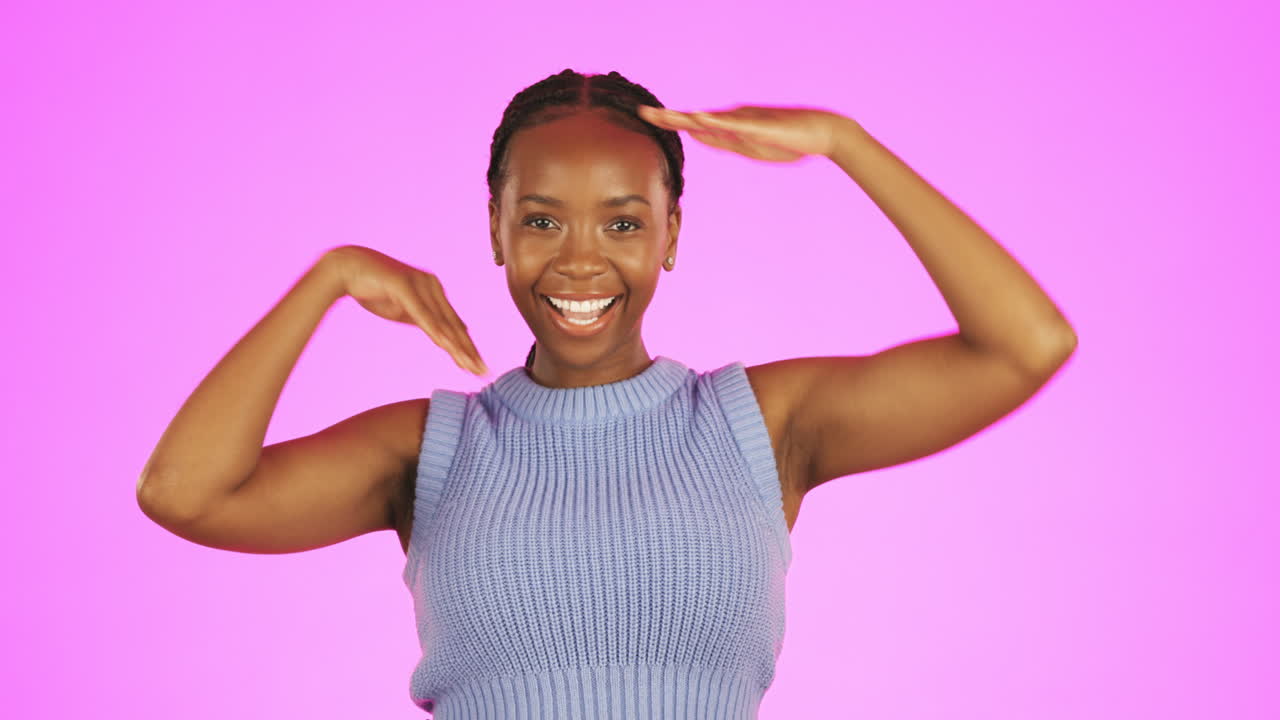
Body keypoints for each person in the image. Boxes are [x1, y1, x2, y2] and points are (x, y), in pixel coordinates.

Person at [136, 69, 1077, 717]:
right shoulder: (435, 448)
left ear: (671, 234)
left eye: (623, 222)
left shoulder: (762, 426)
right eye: (541, 219)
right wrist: (328, 280)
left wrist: (845, 143)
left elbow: (1025, 345)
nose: (580, 259)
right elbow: (185, 491)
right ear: (496, 230)